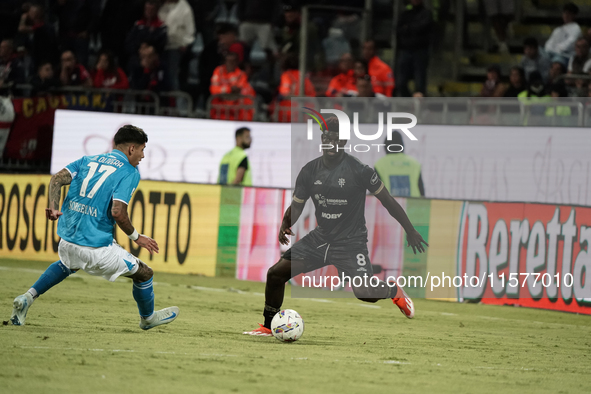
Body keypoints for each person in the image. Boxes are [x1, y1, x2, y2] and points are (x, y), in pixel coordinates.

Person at [243, 117, 428, 337]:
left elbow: (388, 201)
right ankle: (268, 325)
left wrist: (410, 230)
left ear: (344, 142)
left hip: (351, 242)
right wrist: (286, 223)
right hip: (320, 240)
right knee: (275, 274)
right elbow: (298, 204)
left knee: (365, 292)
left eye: (336, 138)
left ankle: (393, 290)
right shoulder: (310, 171)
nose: (331, 142)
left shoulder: (360, 171)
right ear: (322, 140)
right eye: (327, 137)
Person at [9, 125, 179, 330]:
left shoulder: (87, 160)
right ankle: (148, 318)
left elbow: (56, 179)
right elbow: (118, 212)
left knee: (67, 264)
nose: (143, 156)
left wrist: (53, 207)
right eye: (142, 150)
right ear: (131, 149)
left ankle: (27, 298)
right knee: (145, 274)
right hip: (97, 249)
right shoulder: (129, 171)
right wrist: (136, 237)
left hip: (67, 241)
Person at [395, 0, 433, 97]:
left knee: (419, 83)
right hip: (405, 50)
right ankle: (407, 103)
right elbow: (398, 30)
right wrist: (411, 29)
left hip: (420, 51)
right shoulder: (405, 14)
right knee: (401, 82)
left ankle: (418, 106)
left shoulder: (426, 14)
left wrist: (408, 28)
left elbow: (422, 28)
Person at [374, 131, 425, 197]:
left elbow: (374, 192)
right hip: (413, 206)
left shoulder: (379, 165)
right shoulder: (415, 164)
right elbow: (422, 192)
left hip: (389, 206)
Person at [158, 0, 195, 91]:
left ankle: (174, 100)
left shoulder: (184, 7)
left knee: (172, 75)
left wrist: (185, 43)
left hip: (176, 47)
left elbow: (190, 29)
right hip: (160, 46)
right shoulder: (162, 6)